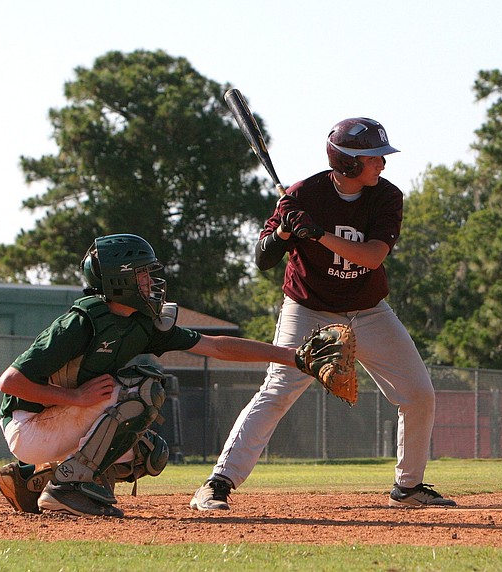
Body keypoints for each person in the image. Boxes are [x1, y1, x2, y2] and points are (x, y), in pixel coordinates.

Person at [190, 117, 456, 510]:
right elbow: (263, 259)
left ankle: (409, 488)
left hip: (369, 310)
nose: (383, 163)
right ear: (348, 163)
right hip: (309, 307)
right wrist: (284, 230)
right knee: (278, 389)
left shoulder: (387, 197)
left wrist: (317, 234)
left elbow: (372, 256)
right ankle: (218, 483)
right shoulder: (303, 195)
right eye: (374, 158)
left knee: (418, 393)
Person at [0, 233, 331, 517]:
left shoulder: (140, 323)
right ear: (120, 278)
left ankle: (28, 482)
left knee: (148, 453)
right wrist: (75, 398)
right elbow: (10, 382)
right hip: (28, 425)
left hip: (58, 421)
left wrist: (294, 357)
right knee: (141, 391)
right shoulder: (81, 323)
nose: (151, 282)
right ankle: (67, 488)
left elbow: (216, 346)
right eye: (142, 274)